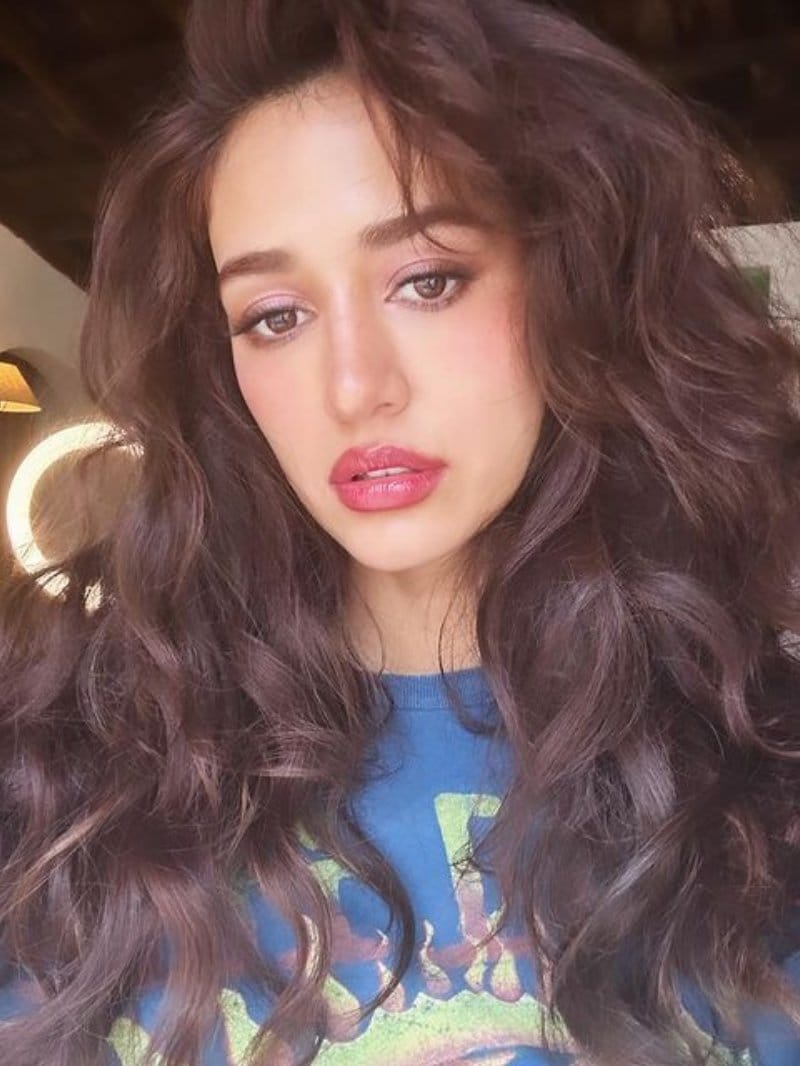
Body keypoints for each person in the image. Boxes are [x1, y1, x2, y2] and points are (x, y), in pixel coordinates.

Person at [1, 0, 800, 1063]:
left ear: (573, 284)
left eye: (427, 280)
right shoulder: (70, 764)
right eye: (275, 315)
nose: (353, 387)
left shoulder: (756, 762)